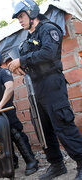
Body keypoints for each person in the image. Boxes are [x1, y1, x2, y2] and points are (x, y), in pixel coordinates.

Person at [9, 0, 82, 180]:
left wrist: (22, 61)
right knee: (43, 128)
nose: (20, 21)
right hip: (36, 88)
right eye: (18, 18)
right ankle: (57, 165)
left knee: (62, 123)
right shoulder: (26, 39)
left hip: (52, 84)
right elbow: (29, 60)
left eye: (21, 16)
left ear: (32, 12)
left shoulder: (49, 29)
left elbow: (48, 53)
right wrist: (17, 67)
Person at [0, 47, 38, 176]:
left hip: (6, 111)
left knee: (16, 134)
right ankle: (12, 162)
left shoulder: (3, 73)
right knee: (2, 138)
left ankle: (32, 162)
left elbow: (10, 88)